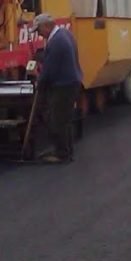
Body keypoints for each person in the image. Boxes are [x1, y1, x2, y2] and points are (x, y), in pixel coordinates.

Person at [32, 13, 83, 164]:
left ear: (46, 26)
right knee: (64, 119)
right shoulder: (64, 34)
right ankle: (66, 150)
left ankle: (62, 154)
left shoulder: (56, 43)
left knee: (57, 120)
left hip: (63, 85)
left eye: (38, 30)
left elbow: (49, 70)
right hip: (73, 81)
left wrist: (39, 83)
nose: (38, 34)